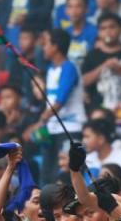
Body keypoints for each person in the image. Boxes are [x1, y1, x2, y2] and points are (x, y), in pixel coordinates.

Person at [31, 29, 86, 185]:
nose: (44, 48)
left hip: (70, 128)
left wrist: (40, 121)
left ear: (55, 46)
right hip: (52, 128)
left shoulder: (69, 67)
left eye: (46, 44)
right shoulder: (50, 70)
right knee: (47, 174)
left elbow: (59, 101)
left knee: (68, 174)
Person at [65, 0, 97, 67]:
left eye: (78, 6)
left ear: (86, 9)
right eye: (70, 7)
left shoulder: (94, 31)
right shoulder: (64, 33)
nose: (74, 11)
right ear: (66, 11)